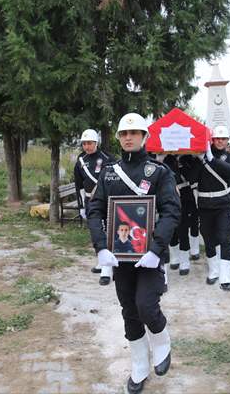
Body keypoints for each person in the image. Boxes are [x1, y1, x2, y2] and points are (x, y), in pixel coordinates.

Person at [87, 112, 180, 394]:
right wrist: (101, 246)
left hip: (150, 256)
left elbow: (171, 211)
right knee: (129, 311)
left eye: (134, 133)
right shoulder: (109, 173)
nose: (128, 138)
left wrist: (156, 249)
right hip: (120, 257)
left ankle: (162, 340)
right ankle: (139, 365)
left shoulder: (160, 173)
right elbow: (94, 211)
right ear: (118, 138)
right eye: (124, 134)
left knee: (146, 306)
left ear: (144, 137)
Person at [191, 125, 230, 291]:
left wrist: (212, 159)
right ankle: (213, 271)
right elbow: (192, 177)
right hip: (205, 205)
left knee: (225, 238)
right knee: (208, 238)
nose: (220, 141)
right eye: (217, 138)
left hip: (223, 205)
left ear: (227, 141)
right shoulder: (201, 157)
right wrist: (197, 159)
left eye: (223, 139)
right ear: (211, 140)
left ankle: (225, 278)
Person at [73, 128, 115, 285]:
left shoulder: (108, 158)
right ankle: (101, 260)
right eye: (84, 143)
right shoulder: (81, 160)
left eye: (89, 143)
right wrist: (82, 206)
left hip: (105, 200)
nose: (87, 146)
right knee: (95, 232)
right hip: (90, 201)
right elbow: (79, 185)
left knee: (106, 232)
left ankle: (106, 271)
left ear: (96, 142)